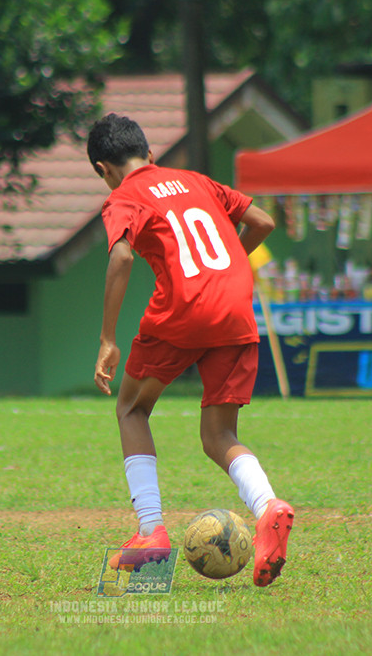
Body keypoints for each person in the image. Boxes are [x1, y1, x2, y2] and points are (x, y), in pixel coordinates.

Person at [88, 113, 294, 587]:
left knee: (132, 410)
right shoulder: (195, 180)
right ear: (151, 154)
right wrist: (226, 272)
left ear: (103, 168)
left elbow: (120, 255)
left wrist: (107, 338)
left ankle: (151, 534)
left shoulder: (123, 197)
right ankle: (269, 508)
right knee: (218, 434)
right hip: (237, 310)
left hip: (181, 310)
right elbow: (261, 221)